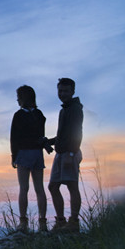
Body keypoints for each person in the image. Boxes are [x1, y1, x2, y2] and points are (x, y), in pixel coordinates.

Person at [10, 85, 50, 232]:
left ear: (22, 99)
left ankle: (23, 222)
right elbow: (41, 136)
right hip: (37, 154)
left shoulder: (19, 115)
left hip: (24, 154)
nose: (17, 100)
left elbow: (14, 138)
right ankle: (43, 222)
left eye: (18, 97)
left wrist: (14, 156)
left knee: (24, 188)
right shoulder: (39, 115)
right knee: (40, 188)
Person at [47, 78, 84, 232]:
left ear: (72, 91)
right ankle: (61, 221)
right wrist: (49, 141)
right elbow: (62, 135)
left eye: (66, 91)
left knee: (71, 186)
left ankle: (73, 222)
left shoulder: (75, 109)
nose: (62, 94)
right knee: (53, 186)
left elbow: (76, 132)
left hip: (69, 153)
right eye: (60, 91)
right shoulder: (64, 110)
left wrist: (71, 152)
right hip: (61, 153)